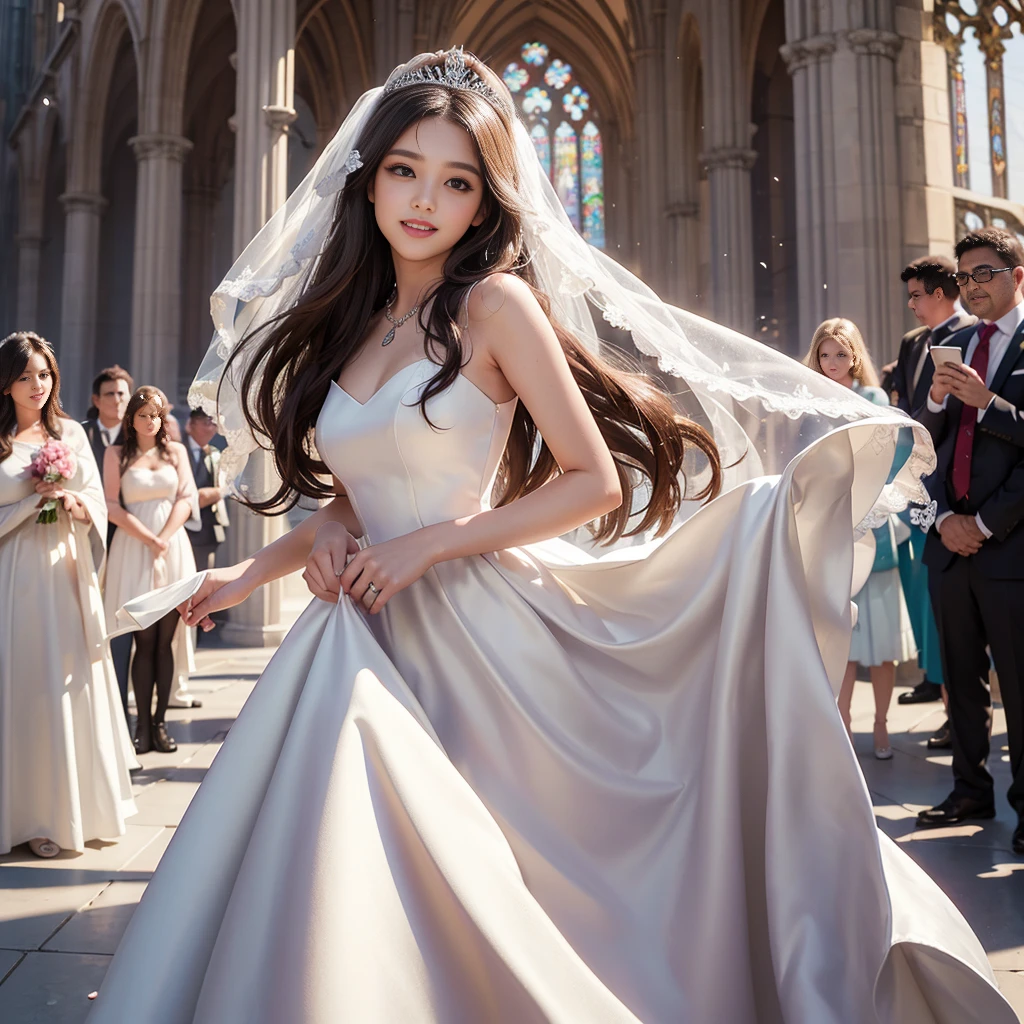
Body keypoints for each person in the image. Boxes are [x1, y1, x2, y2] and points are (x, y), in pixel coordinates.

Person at [88, 50, 1014, 1023]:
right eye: (404, 170)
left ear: (484, 204)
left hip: (484, 631)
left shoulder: (495, 307)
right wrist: (254, 568)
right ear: (365, 180)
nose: (424, 200)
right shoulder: (348, 324)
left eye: (456, 181)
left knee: (515, 877)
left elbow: (590, 479)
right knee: (338, 855)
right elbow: (360, 499)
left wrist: (431, 545)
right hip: (359, 628)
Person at [0, 332, 137, 858]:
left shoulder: (73, 435)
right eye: (24, 376)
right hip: (14, 577)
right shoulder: (1, 440)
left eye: (44, 374)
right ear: (6, 384)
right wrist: (30, 506)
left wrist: (73, 505)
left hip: (66, 573)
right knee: (21, 684)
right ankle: (19, 812)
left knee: (63, 685)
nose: (37, 385)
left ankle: (60, 814)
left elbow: (97, 504)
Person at [915, 227, 1024, 859]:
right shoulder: (947, 343)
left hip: (1008, 545)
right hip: (947, 542)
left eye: (985, 274)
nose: (973, 287)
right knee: (961, 678)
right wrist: (933, 399)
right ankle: (968, 788)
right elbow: (922, 442)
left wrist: (991, 404)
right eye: (965, 278)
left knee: (1019, 682)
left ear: (1016, 276)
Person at [804, 318, 916, 759]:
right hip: (828, 525)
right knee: (840, 638)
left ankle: (882, 725)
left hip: (871, 521)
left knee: (882, 641)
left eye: (841, 355)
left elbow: (893, 457)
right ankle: (844, 726)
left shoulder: (872, 399)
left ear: (855, 356)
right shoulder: (807, 399)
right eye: (825, 354)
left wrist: (874, 501)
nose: (833, 363)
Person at [892, 258, 975, 721]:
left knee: (964, 613)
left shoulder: (973, 336)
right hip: (916, 485)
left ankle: (956, 712)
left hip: (960, 491)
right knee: (928, 594)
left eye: (916, 295)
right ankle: (935, 680)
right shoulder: (911, 344)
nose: (911, 305)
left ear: (940, 294)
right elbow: (906, 407)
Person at [103, 386, 199, 755]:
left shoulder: (175, 452)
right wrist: (148, 539)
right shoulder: (116, 454)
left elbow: (187, 498)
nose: (149, 421)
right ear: (131, 419)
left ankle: (161, 723)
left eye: (155, 415)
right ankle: (140, 725)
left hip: (172, 548)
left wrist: (164, 538)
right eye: (142, 415)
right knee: (142, 640)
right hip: (133, 548)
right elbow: (111, 505)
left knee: (166, 641)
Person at [82, 365, 135, 714]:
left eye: (122, 394)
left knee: (121, 622)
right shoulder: (77, 435)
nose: (117, 400)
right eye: (110, 394)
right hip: (83, 538)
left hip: (128, 541)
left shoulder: (142, 437)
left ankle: (116, 701)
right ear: (96, 400)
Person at [183, 408, 229, 573]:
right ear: (192, 424)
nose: (211, 427)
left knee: (204, 575)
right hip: (182, 526)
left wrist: (217, 493)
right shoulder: (179, 449)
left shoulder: (215, 453)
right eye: (206, 422)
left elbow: (223, 486)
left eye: (213, 423)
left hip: (209, 528)